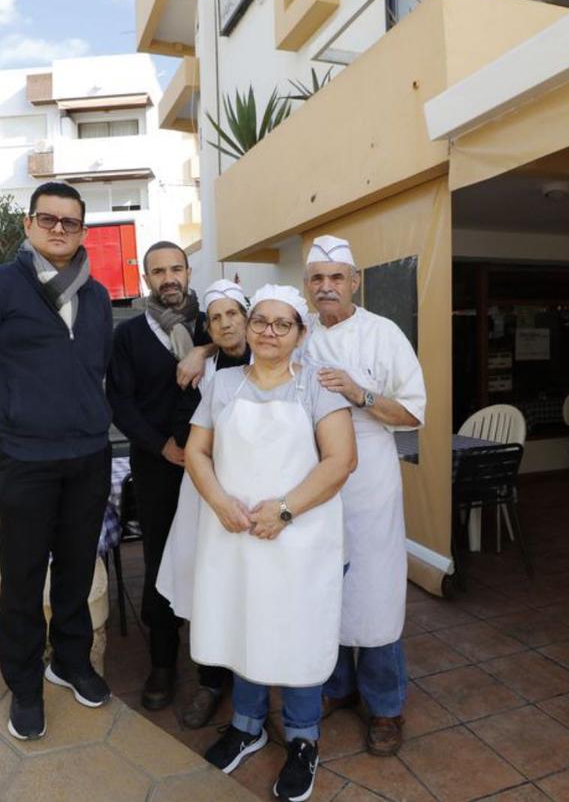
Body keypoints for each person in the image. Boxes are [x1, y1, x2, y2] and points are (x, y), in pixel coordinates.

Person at [0, 181, 113, 742]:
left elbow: (94, 370)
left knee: (75, 566)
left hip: (88, 456)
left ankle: (70, 661)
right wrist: (10, 419)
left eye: (70, 222)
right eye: (49, 219)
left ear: (83, 231)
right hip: (25, 459)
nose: (59, 229)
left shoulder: (96, 297)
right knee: (22, 577)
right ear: (28, 224)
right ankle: (24, 682)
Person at [187, 284, 357, 802]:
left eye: (283, 323)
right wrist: (218, 502)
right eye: (260, 320)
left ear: (300, 333)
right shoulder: (222, 385)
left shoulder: (318, 387)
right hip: (235, 533)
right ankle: (247, 725)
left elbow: (341, 461)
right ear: (247, 323)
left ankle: (304, 740)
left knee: (297, 632)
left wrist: (284, 511)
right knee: (242, 622)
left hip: (299, 537)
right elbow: (197, 452)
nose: (268, 331)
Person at [303, 234, 427, 757]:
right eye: (317, 279)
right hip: (312, 476)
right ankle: (336, 688)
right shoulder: (297, 330)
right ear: (306, 287)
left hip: (371, 479)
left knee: (374, 594)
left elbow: (414, 412)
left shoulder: (384, 333)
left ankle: (385, 705)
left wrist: (359, 393)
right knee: (323, 585)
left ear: (356, 282)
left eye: (336, 278)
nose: (327, 287)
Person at [106, 241, 212, 711]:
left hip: (217, 467)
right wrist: (161, 445)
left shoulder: (214, 321)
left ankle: (214, 669)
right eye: (158, 271)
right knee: (161, 560)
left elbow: (245, 350)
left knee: (215, 559)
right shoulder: (128, 336)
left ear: (189, 272)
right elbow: (120, 403)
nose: (169, 278)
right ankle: (163, 663)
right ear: (146, 278)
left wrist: (204, 347)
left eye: (176, 269)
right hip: (160, 466)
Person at [156, 278, 252, 728]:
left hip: (260, 500)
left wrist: (203, 348)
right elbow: (183, 431)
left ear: (249, 317)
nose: (226, 323)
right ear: (208, 328)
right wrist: (202, 354)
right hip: (207, 495)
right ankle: (211, 681)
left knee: (254, 588)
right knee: (208, 586)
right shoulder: (200, 375)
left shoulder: (278, 359)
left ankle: (255, 678)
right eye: (216, 318)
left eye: (233, 313)